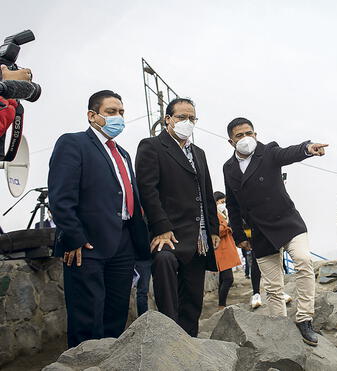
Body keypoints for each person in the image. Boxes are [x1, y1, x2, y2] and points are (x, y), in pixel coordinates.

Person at [48, 90, 150, 348]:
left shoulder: (124, 154)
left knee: (115, 316)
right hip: (87, 246)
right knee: (87, 319)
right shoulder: (73, 143)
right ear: (93, 116)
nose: (119, 117)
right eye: (111, 112)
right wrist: (74, 238)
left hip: (123, 243)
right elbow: (61, 198)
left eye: (122, 112)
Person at [223, 117, 328, 346]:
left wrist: (307, 149)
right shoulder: (228, 168)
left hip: (288, 222)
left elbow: (288, 153)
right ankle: (280, 326)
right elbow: (232, 203)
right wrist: (239, 235)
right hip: (259, 230)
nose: (245, 138)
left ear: (256, 134)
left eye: (249, 133)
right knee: (272, 286)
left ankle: (304, 319)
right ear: (231, 141)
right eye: (239, 135)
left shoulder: (268, 151)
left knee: (303, 261)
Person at [135, 98, 220, 336]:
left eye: (192, 118)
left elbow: (206, 193)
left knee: (193, 301)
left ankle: (189, 343)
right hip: (169, 235)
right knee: (166, 275)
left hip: (198, 239)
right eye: (182, 117)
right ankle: (168, 338)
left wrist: (212, 229)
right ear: (168, 120)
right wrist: (161, 226)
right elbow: (147, 190)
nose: (187, 122)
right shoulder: (151, 146)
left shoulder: (199, 153)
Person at [213, 191, 242, 309]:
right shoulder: (214, 214)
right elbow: (216, 230)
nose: (223, 204)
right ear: (215, 201)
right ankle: (221, 305)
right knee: (228, 278)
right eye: (221, 201)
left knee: (223, 278)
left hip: (227, 248)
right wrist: (227, 227)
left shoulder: (223, 213)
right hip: (221, 249)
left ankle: (221, 305)